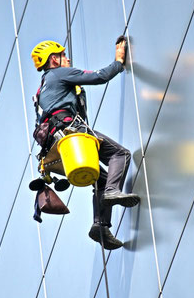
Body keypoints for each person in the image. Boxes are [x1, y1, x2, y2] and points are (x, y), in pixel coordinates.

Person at [31, 39, 140, 250]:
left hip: (56, 150)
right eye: (63, 56)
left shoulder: (41, 89)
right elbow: (99, 76)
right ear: (54, 59)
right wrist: (119, 61)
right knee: (121, 155)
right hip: (71, 134)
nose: (68, 59)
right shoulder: (59, 74)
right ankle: (112, 192)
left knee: (103, 179)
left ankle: (100, 227)